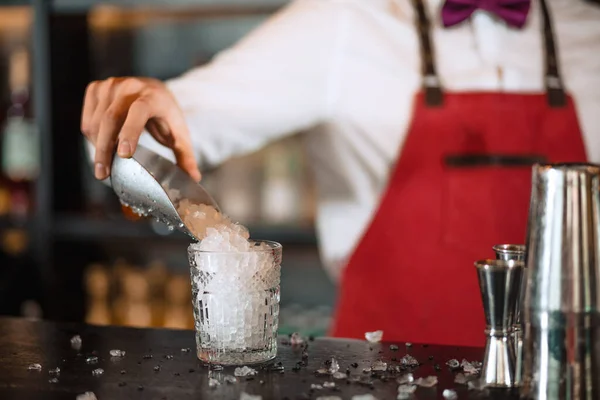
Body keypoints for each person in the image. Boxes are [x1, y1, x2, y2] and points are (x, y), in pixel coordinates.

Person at [81, 0, 600, 346]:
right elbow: (164, 129)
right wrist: (134, 107)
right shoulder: (345, 21)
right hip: (374, 377)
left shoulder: (590, 32)